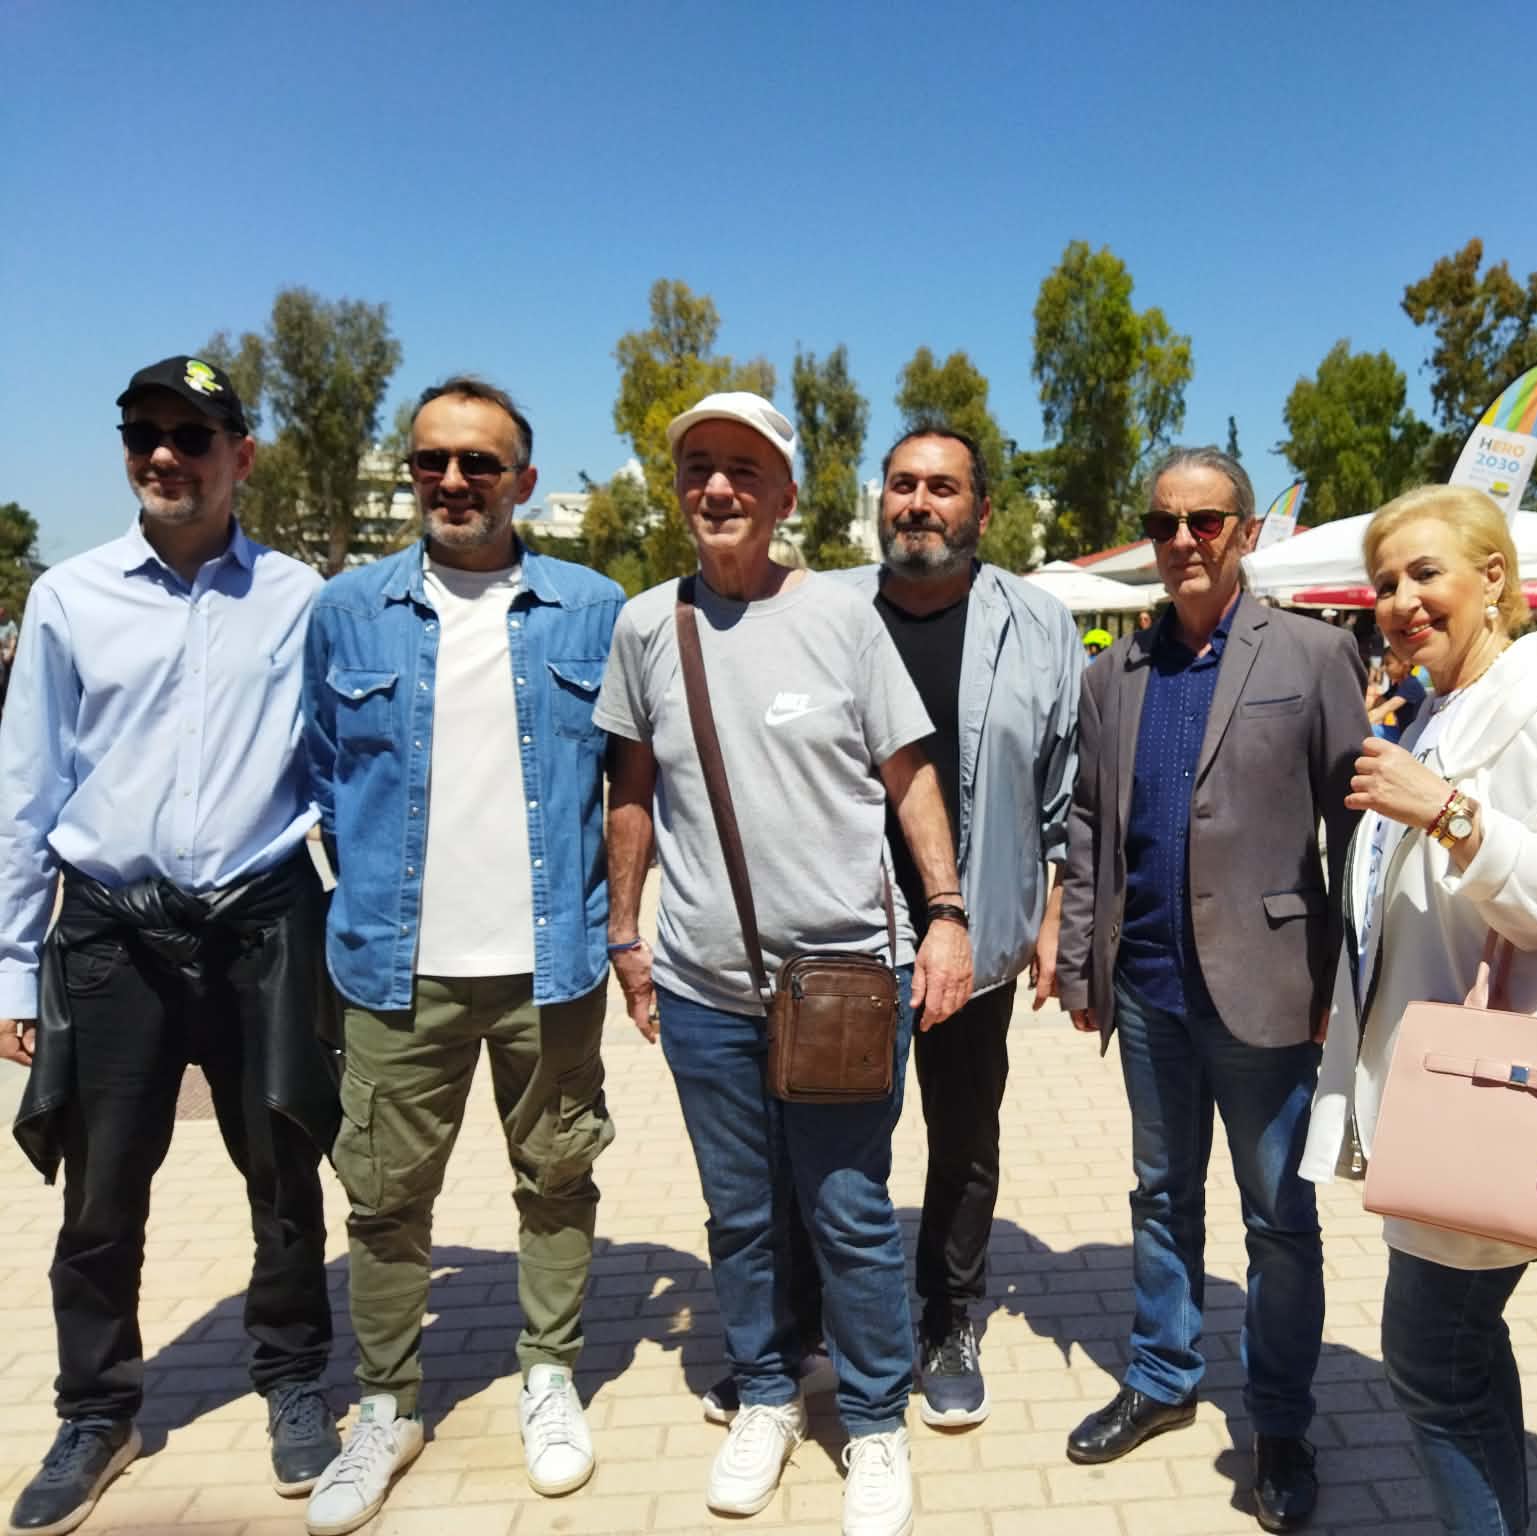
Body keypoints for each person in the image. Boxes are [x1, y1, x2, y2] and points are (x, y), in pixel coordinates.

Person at [597, 391, 975, 1536]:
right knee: (741, 1216)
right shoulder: (645, 627)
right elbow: (631, 792)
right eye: (698, 467)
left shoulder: (844, 619)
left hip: (844, 983)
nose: (717, 487)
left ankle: (873, 1419)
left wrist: (946, 913)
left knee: (849, 1212)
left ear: (785, 495)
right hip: (704, 985)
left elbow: (910, 777)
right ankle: (765, 1393)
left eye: (743, 469)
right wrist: (625, 933)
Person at [0, 357, 340, 1535]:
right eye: (142, 433)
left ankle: (293, 1378)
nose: (162, 455)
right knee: (99, 1194)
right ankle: (98, 1411)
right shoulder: (70, 597)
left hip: (262, 927)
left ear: (239, 456)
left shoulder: (302, 598)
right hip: (111, 938)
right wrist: (11, 963)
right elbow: (25, 791)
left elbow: (337, 769)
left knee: (284, 1173)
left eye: (190, 437)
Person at [692, 427, 1085, 1434]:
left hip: (972, 939)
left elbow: (1064, 788)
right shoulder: (820, 610)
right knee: (812, 1152)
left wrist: (1055, 914)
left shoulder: (1038, 625)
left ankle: (946, 1317)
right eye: (902, 485)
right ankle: (802, 1331)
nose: (918, 504)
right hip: (839, 942)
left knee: (962, 1137)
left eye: (942, 488)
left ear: (980, 511)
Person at [298, 378, 625, 1533]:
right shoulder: (348, 611)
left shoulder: (592, 609)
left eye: (478, 462)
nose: (451, 481)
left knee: (557, 1177)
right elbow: (322, 776)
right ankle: (386, 1405)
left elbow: (630, 783)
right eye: (430, 460)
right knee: (383, 1198)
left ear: (521, 481)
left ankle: (548, 1374)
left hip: (553, 964)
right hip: (396, 970)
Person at [1300, 484, 1537, 1535]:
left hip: (1494, 1098)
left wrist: (1449, 813)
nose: (1400, 602)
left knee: (1430, 1362)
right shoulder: (1440, 706)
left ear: (1493, 578)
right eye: (1385, 584)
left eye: (1425, 573)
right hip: (1437, 1090)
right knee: (1461, 1357)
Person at [1057, 446, 1368, 1533]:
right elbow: (1088, 825)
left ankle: (1279, 1420)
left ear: (1245, 532)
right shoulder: (1115, 673)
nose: (1182, 541)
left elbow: (1354, 829)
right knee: (1160, 1195)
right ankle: (1160, 1375)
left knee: (1278, 1218)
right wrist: (1080, 957)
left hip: (1269, 990)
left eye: (1205, 521)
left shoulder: (1314, 654)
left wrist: (1349, 980)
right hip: (1148, 990)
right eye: (1164, 523)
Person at [1369, 651, 1426, 740]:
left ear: (1405, 664)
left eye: (1388, 664)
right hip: (1401, 732)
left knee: (1369, 731)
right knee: (1372, 729)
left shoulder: (1411, 685)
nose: (1384, 668)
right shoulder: (1397, 687)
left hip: (1414, 737)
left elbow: (1384, 709)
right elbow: (1376, 704)